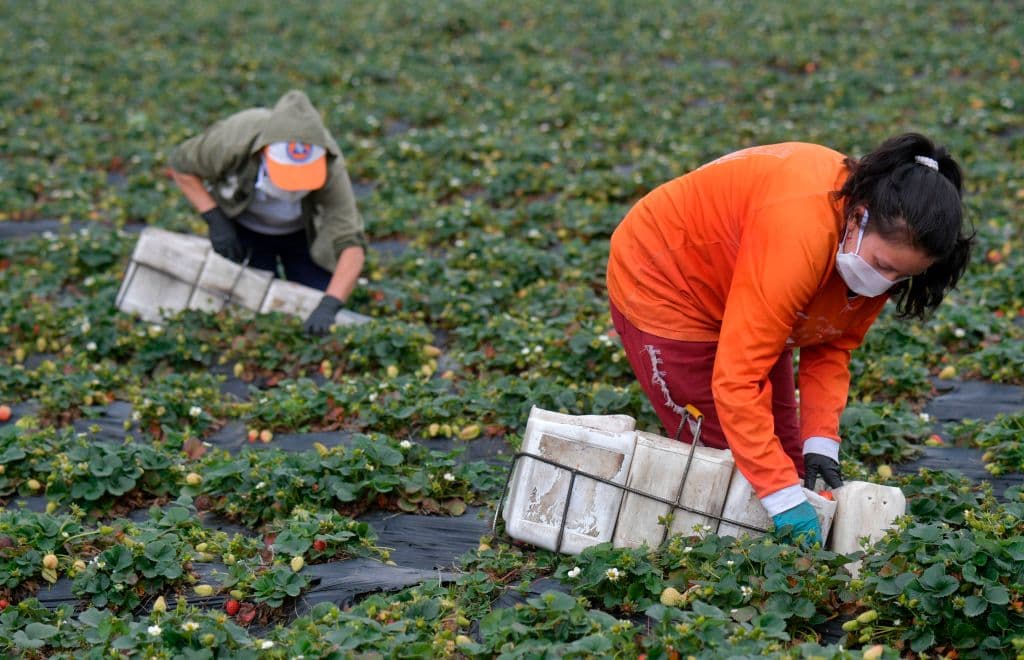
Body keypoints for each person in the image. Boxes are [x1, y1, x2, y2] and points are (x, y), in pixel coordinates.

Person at [606, 133, 971, 545]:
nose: (884, 282)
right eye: (883, 265)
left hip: (748, 281)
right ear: (858, 217)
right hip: (666, 276)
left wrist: (821, 442)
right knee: (728, 461)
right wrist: (780, 497)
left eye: (901, 276)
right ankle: (723, 556)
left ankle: (781, 539)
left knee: (788, 462)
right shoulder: (799, 232)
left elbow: (831, 339)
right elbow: (737, 380)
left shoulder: (869, 243)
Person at [168, 89, 366, 335]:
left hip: (300, 232)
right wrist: (214, 217)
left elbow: (351, 244)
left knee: (314, 299)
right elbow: (181, 166)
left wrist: (329, 304)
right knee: (244, 307)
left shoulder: (330, 165)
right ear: (264, 152)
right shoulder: (234, 139)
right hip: (244, 226)